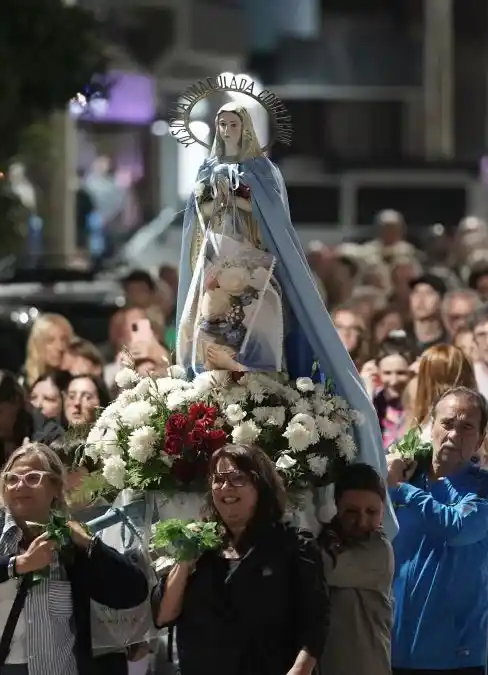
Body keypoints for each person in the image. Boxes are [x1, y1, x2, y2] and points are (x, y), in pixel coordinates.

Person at [173, 102, 391, 526]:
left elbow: (272, 219)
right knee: (208, 330)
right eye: (222, 125)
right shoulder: (206, 172)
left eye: (235, 124)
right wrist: (213, 201)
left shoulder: (262, 172)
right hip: (216, 268)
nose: (229, 130)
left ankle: (262, 383)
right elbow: (197, 225)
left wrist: (243, 202)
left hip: (257, 267)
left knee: (264, 326)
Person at [0, 442, 148, 675]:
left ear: (55, 486)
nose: (20, 485)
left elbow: (133, 592)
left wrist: (92, 545)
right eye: (12, 479)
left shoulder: (69, 543)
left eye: (32, 478)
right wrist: (18, 564)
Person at [154, 444, 329, 675]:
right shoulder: (200, 546)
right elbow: (163, 616)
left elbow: (316, 623)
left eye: (238, 478)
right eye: (218, 479)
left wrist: (299, 670)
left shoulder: (293, 547)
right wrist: (186, 559)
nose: (226, 487)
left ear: (261, 485)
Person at [386, 386, 488, 675]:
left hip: (456, 655)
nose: (453, 435)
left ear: (480, 440)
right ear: (431, 426)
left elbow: (459, 528)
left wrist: (401, 490)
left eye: (466, 427)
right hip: (396, 647)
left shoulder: (484, 486)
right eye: (447, 424)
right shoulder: (405, 473)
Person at [318, 463, 393, 675]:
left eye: (371, 512)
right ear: (336, 507)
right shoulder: (329, 538)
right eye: (351, 511)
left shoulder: (379, 550)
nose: (362, 521)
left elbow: (323, 567)